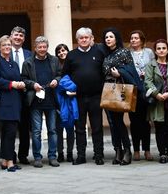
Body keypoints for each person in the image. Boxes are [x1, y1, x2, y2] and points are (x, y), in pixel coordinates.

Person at [62, 27, 105, 165]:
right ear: (77, 40)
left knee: (97, 127)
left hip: (96, 96)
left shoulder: (98, 53)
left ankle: (99, 155)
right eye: (81, 38)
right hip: (77, 98)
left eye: (86, 37)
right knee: (79, 128)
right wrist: (70, 88)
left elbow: (104, 73)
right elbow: (65, 75)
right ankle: (81, 156)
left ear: (91, 38)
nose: (84, 40)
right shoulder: (71, 55)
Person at [101, 27, 139, 165]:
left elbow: (131, 69)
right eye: (106, 37)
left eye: (110, 37)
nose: (108, 39)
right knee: (112, 122)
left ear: (116, 38)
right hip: (108, 90)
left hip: (119, 90)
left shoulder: (124, 52)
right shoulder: (106, 55)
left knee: (118, 121)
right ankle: (118, 150)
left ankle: (127, 150)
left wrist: (120, 73)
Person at [0, 35, 26, 172]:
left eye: (9, 45)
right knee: (9, 132)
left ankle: (4, 160)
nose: (7, 47)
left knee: (8, 132)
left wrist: (21, 83)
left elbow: (18, 78)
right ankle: (10, 162)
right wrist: (11, 84)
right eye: (4, 45)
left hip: (15, 100)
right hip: (4, 101)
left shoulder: (14, 63)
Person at [21, 36, 61, 167]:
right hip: (35, 101)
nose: (42, 49)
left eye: (44, 47)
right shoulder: (28, 62)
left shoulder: (54, 60)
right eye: (40, 47)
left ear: (47, 47)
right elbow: (24, 79)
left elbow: (60, 74)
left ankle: (52, 156)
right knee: (37, 131)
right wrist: (33, 85)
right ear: (35, 48)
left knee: (52, 130)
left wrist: (57, 80)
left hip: (51, 100)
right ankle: (37, 157)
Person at [144, 39, 168, 163]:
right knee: (159, 128)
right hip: (157, 102)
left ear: (167, 50)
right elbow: (147, 81)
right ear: (155, 51)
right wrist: (156, 94)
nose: (161, 50)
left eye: (163, 48)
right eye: (159, 48)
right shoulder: (151, 65)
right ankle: (162, 154)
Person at [129, 30, 155, 161]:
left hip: (146, 91)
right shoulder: (128, 54)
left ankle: (147, 150)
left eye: (135, 38)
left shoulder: (149, 52)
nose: (133, 40)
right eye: (132, 38)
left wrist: (147, 73)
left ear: (142, 40)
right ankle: (136, 150)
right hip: (133, 91)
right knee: (134, 122)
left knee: (146, 122)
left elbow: (154, 67)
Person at [10, 26, 32, 164]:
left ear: (24, 39)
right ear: (11, 36)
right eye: (16, 35)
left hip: (25, 95)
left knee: (25, 128)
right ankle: (10, 155)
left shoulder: (29, 54)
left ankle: (23, 155)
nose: (18, 37)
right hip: (10, 95)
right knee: (10, 128)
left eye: (21, 36)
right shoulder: (3, 52)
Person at [55, 43, 74, 162]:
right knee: (58, 129)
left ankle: (70, 152)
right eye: (59, 51)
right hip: (58, 99)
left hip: (71, 99)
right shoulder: (55, 65)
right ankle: (60, 153)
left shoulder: (73, 64)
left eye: (64, 50)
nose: (62, 53)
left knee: (70, 128)